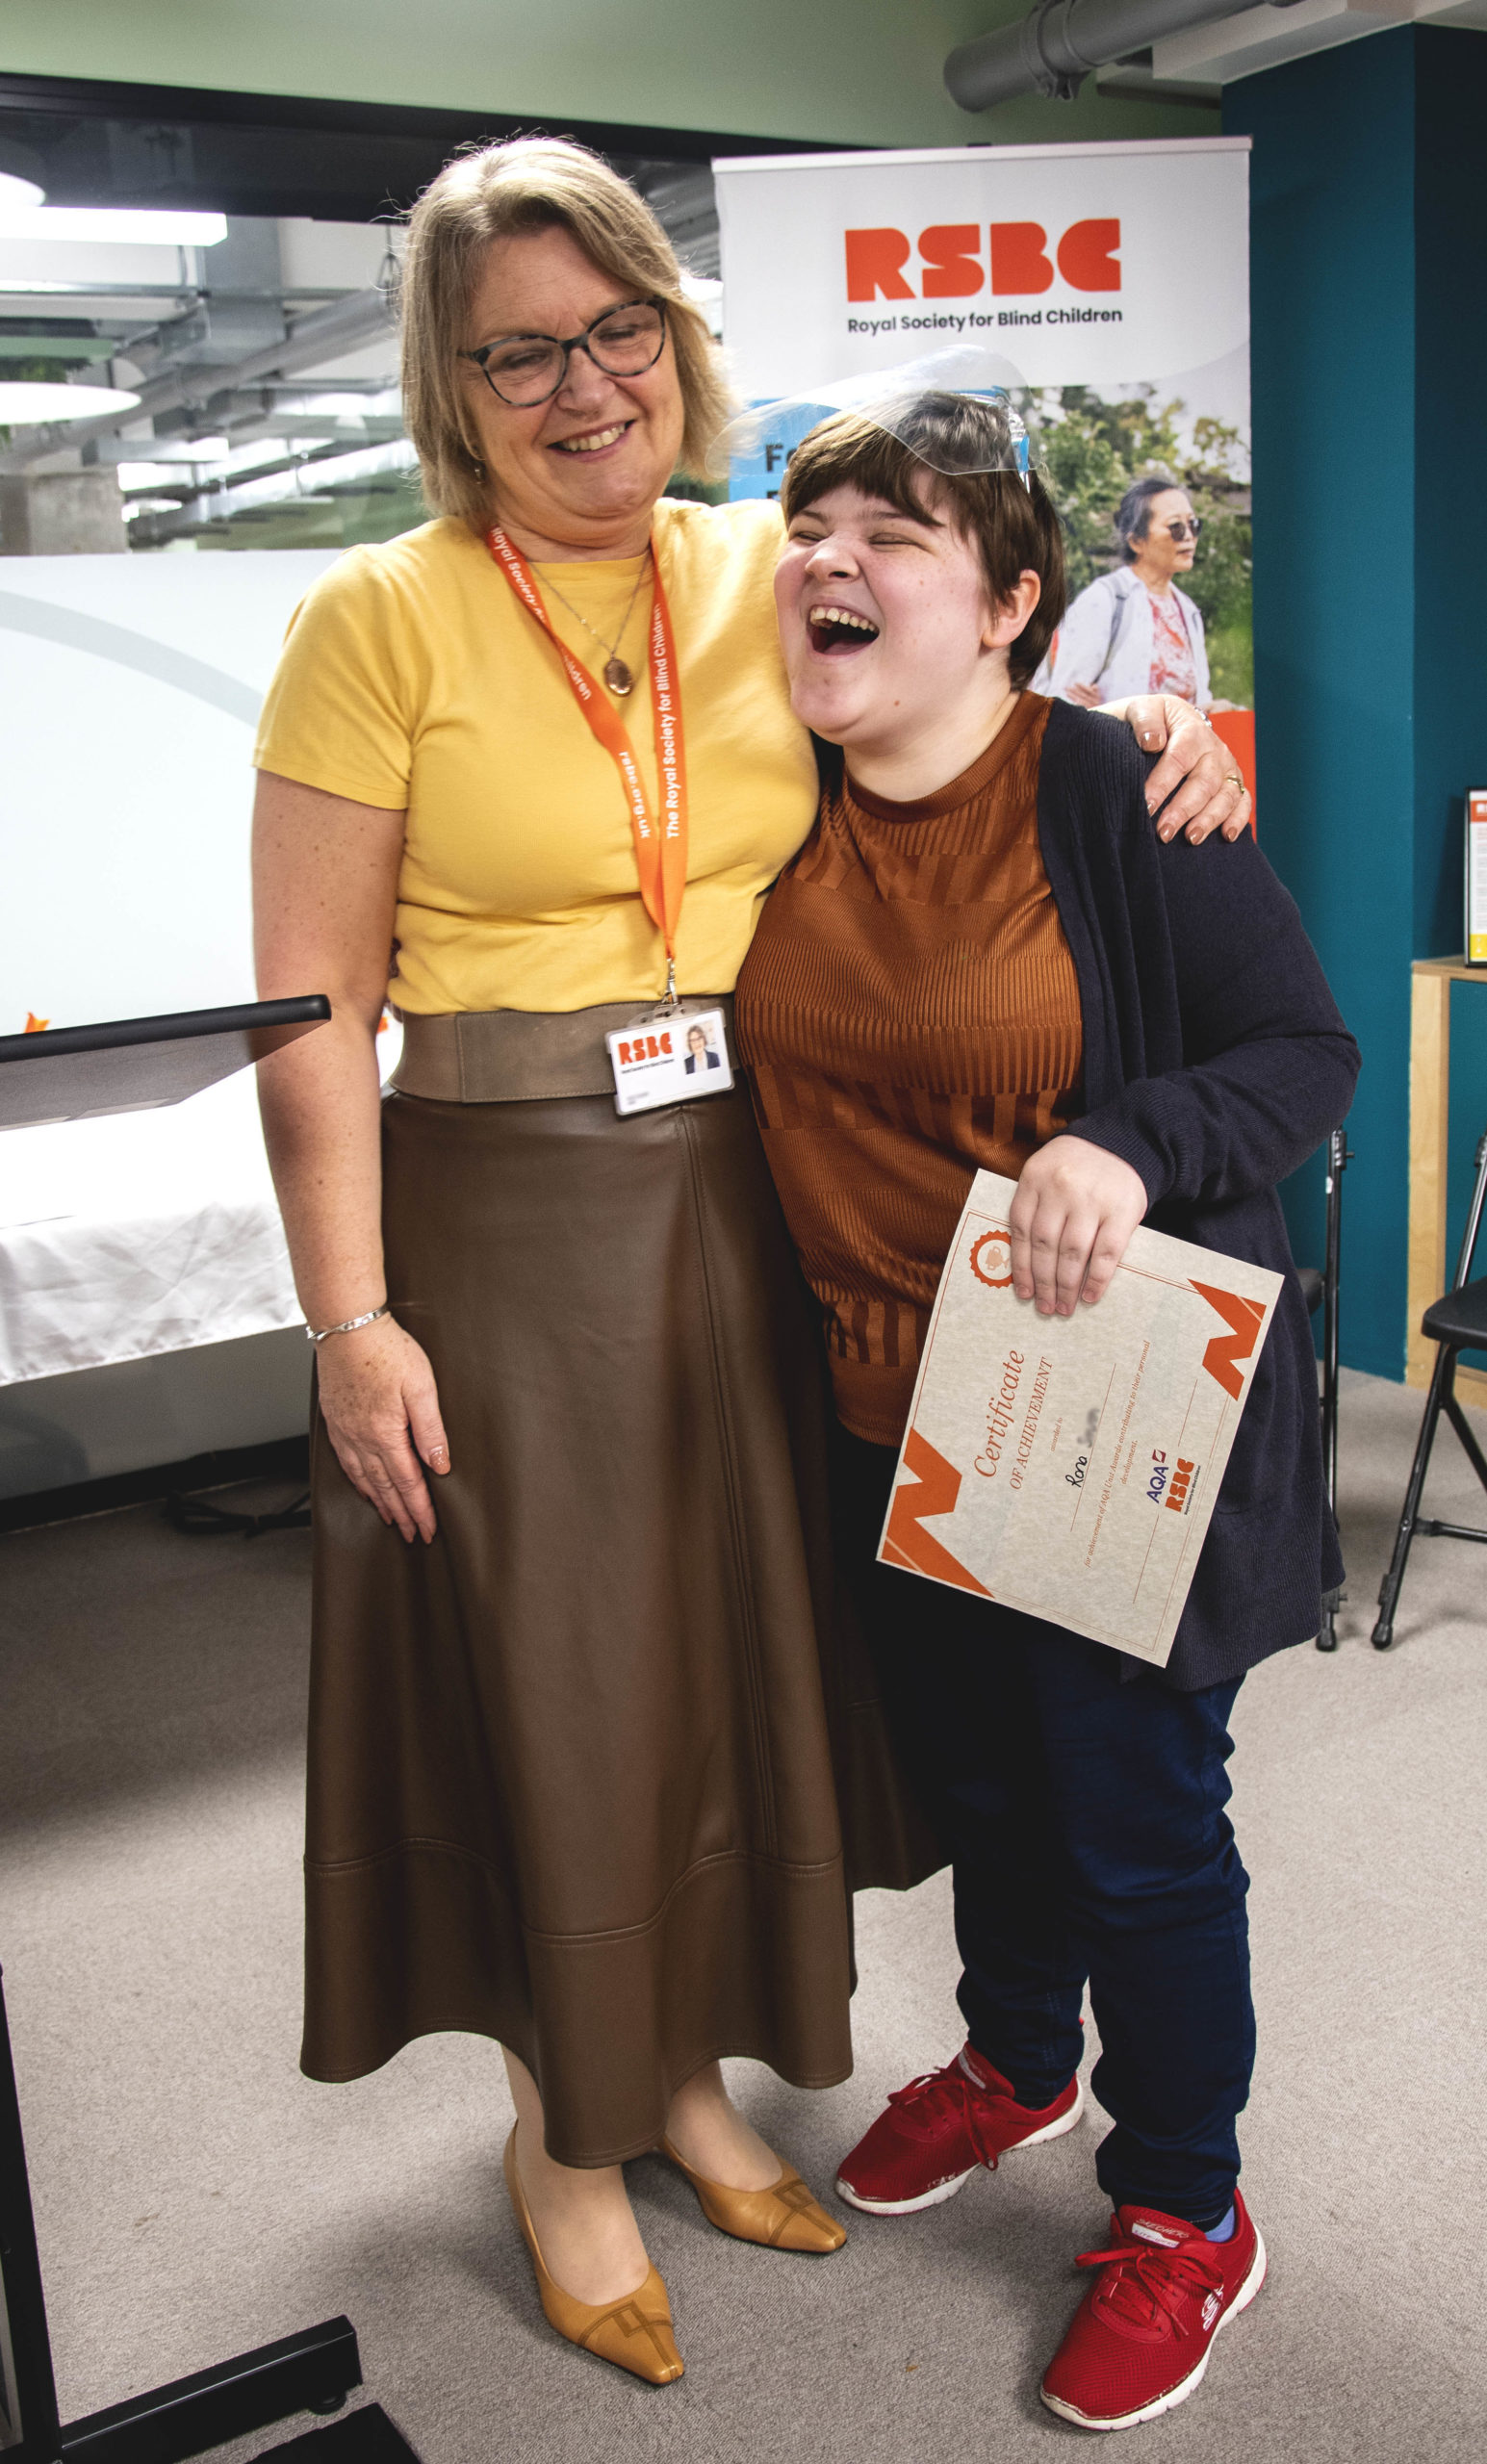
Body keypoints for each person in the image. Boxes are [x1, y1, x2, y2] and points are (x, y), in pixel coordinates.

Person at [250, 135, 1249, 2388]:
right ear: (453, 381)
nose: (579, 383)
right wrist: (350, 1312)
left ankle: (685, 2071)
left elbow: (967, 711)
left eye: (615, 327)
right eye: (519, 351)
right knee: (554, 1677)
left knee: (726, 1673)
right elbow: (309, 1005)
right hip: (503, 1220)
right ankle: (562, 2127)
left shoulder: (753, 565)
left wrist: (1150, 737)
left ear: (674, 341)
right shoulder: (376, 616)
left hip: (765, 1197)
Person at [733, 391, 1358, 2431]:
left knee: (1133, 1821)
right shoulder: (774, 794)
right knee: (983, 1787)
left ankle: (1186, 2203)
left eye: (886, 531)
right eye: (807, 519)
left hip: (1086, 1413)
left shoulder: (1113, 791)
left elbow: (1301, 1045)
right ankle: (1018, 2053)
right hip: (876, 1416)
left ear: (1009, 603)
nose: (827, 553)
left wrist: (1132, 1135)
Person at [1041, 475, 1231, 715]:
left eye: (1194, 525)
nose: (1189, 537)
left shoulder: (1187, 609)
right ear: (1137, 541)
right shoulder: (1106, 599)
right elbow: (1063, 701)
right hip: (1113, 750)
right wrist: (1104, 715)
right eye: (1176, 527)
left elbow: (1195, 699)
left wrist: (1215, 708)